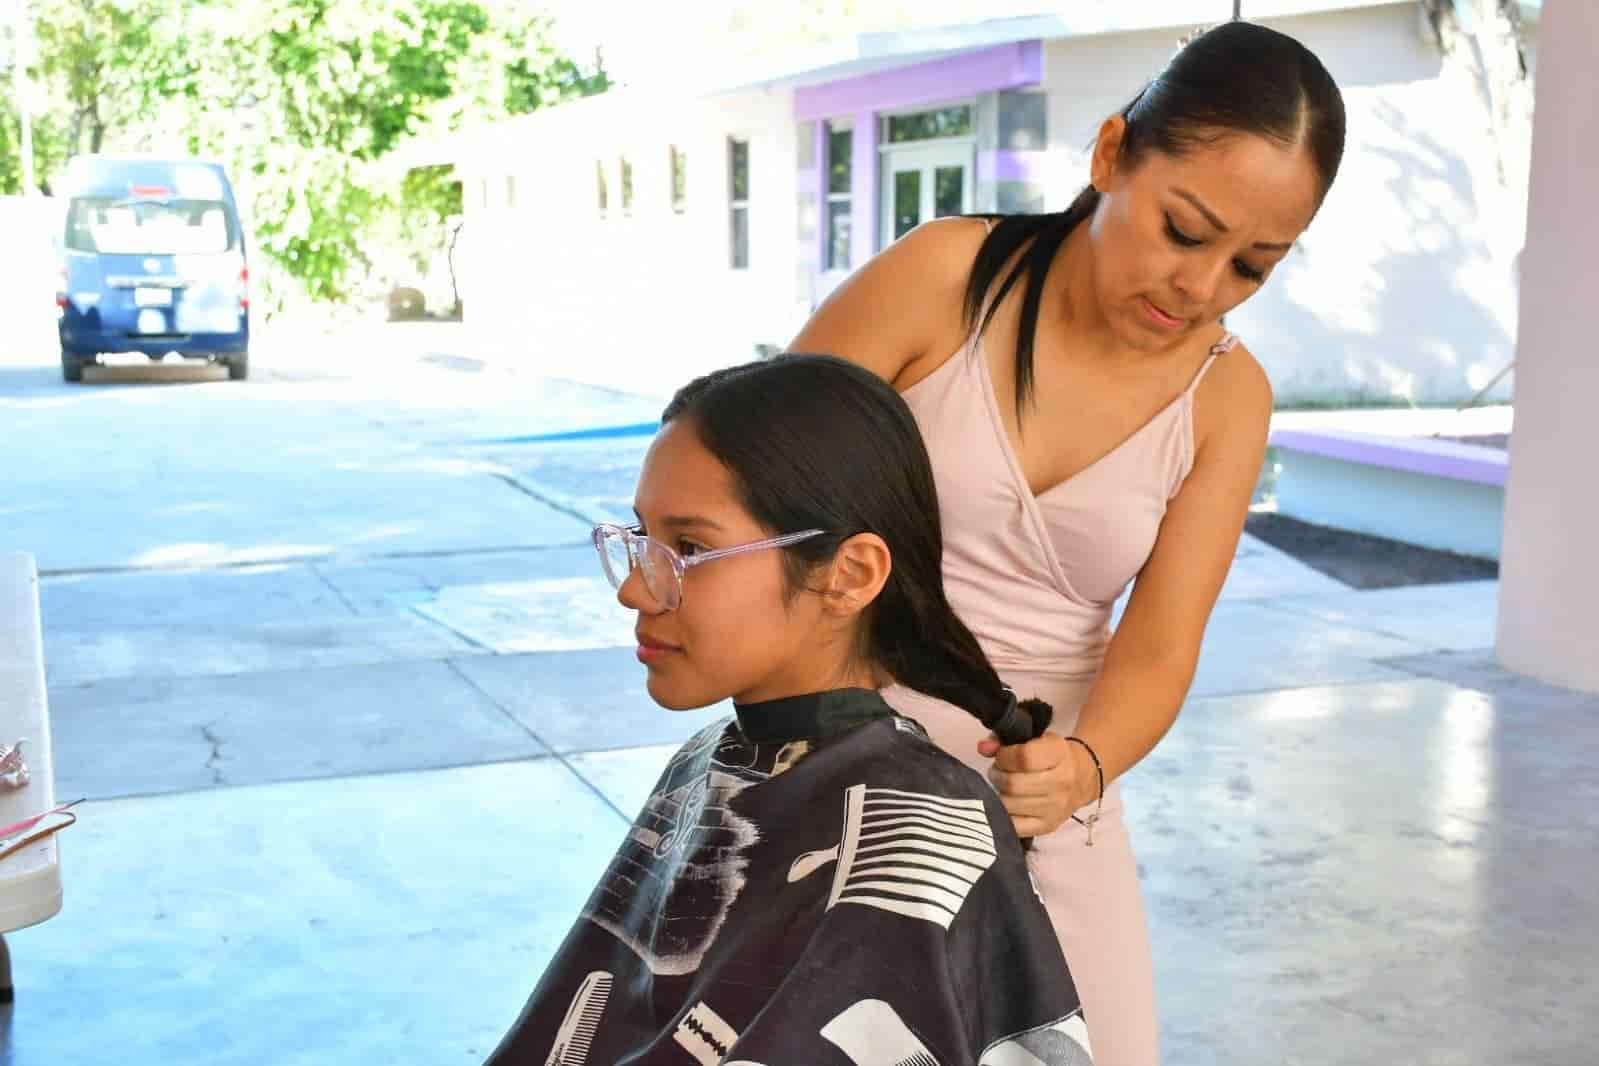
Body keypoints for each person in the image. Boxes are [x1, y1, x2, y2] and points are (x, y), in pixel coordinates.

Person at [788, 20, 1347, 1065]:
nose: (1203, 287)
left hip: (1042, 787)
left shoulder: (1228, 398)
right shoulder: (946, 276)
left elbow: (1161, 643)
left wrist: (1084, 767)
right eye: (1186, 230)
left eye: (1251, 268)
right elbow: (761, 474)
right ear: (1109, 156)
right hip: (832, 759)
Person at [484, 354, 1094, 1065]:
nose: (636, 591)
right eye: (641, 540)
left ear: (848, 575)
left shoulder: (919, 825)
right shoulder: (706, 761)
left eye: (687, 547)